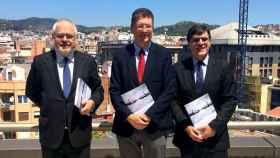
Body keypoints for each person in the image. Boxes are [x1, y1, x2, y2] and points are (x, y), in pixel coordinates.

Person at [26, 19, 104, 158]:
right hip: (51, 135)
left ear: (75, 39)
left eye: (69, 36)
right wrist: (48, 104)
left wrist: (92, 102)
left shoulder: (88, 61)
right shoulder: (40, 62)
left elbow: (98, 90)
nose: (65, 40)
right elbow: (31, 91)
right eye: (60, 36)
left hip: (80, 134)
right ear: (53, 37)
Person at [110, 8, 176, 158]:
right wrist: (129, 116)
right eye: (140, 26)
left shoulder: (164, 54)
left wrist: (149, 115)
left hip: (155, 125)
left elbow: (170, 90)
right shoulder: (120, 56)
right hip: (127, 126)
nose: (145, 30)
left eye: (148, 26)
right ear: (132, 28)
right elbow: (114, 91)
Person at [171, 24, 237, 158]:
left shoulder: (223, 67)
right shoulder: (177, 69)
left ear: (210, 42)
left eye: (204, 39)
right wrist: (186, 127)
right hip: (188, 139)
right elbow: (173, 101)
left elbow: (230, 100)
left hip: (216, 140)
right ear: (189, 43)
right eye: (195, 40)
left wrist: (213, 127)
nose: (200, 43)